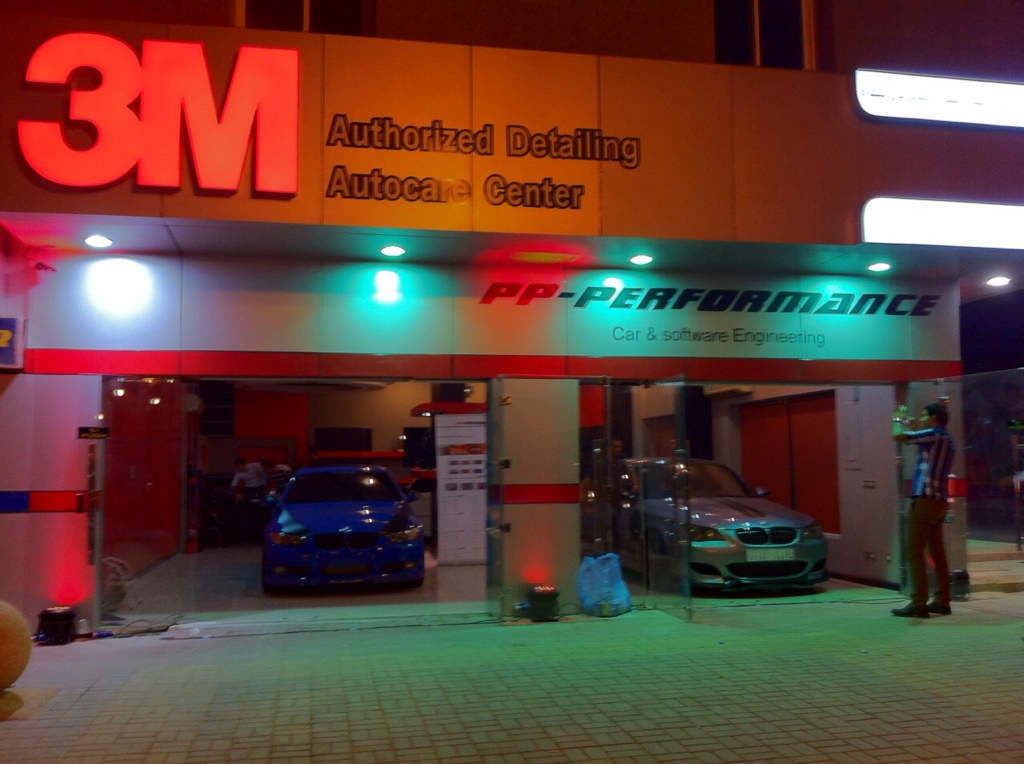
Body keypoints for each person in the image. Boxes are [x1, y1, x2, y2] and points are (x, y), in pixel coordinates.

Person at [890, 400, 956, 618]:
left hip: (924, 501)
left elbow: (899, 436)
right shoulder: (948, 439)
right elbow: (920, 438)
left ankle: (918, 603)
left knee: (913, 552)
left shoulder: (933, 434)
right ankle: (942, 601)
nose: (922, 418)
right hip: (939, 502)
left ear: (934, 417)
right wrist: (914, 427)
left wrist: (898, 419)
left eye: (925, 415)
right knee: (938, 554)